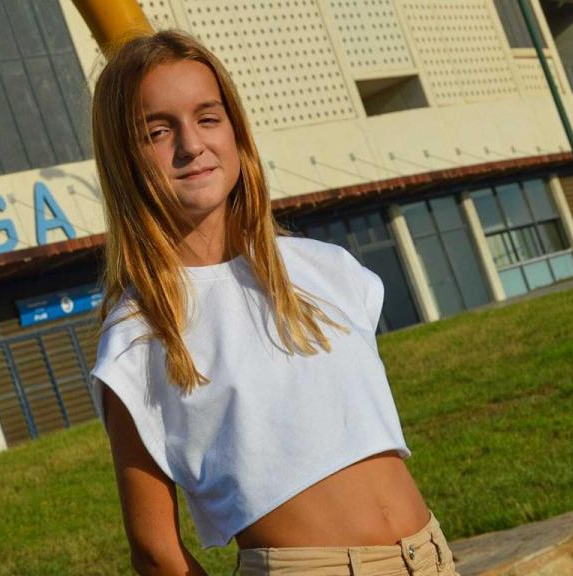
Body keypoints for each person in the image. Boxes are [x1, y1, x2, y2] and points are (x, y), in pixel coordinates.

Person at [88, 28, 459, 576]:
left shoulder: (326, 269)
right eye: (159, 131)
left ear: (236, 131)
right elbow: (155, 551)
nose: (192, 145)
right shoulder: (139, 335)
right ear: (125, 159)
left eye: (208, 118)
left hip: (429, 554)